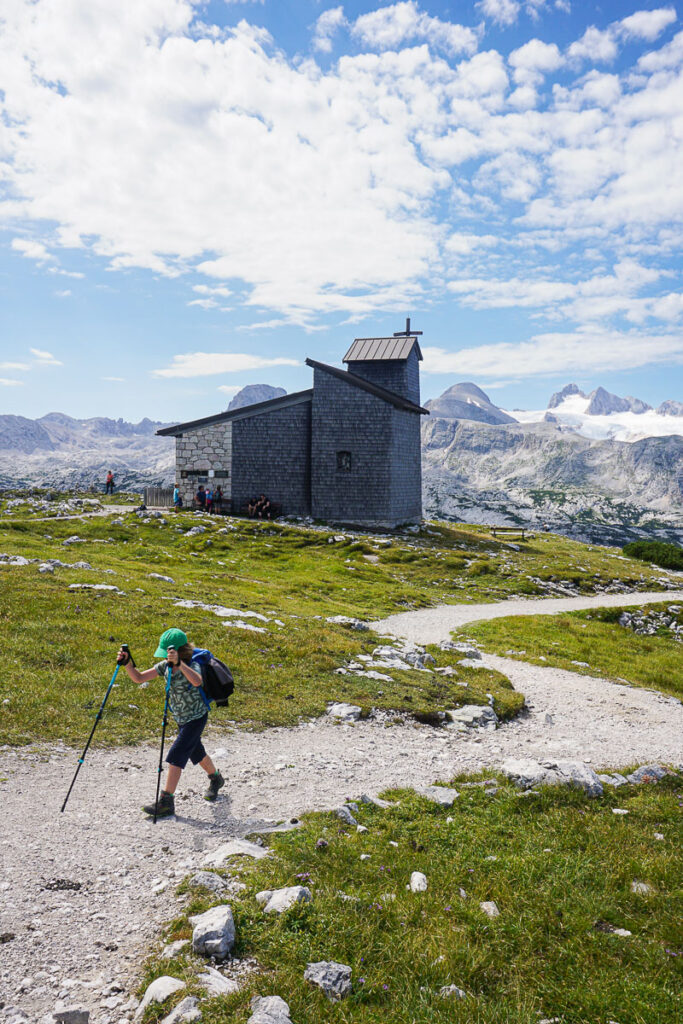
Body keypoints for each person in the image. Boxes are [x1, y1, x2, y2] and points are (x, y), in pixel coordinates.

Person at [117, 628, 224, 818]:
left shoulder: (191, 665)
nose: (166, 656)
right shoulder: (164, 666)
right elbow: (139, 678)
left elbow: (197, 681)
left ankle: (166, 802)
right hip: (181, 719)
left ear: (179, 651)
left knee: (177, 754)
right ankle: (216, 779)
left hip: (197, 718)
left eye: (169, 652)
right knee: (196, 752)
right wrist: (127, 664)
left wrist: (180, 664)